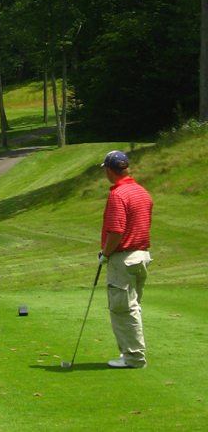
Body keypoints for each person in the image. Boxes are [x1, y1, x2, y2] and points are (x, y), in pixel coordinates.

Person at [99, 150, 153, 369]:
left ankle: (134, 358)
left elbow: (116, 232)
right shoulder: (142, 191)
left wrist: (105, 254)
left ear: (110, 171)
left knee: (123, 308)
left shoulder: (118, 195)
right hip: (142, 256)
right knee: (133, 306)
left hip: (124, 257)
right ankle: (131, 354)